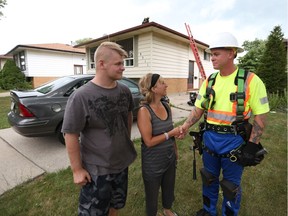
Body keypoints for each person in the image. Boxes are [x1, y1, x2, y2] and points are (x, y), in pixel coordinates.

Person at [180, 32, 270, 216]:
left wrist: (251, 147)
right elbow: (198, 109)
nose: (212, 58)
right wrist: (185, 126)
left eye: (216, 54)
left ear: (231, 53)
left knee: (231, 185)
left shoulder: (251, 80)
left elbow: (260, 117)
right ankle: (208, 211)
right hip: (210, 140)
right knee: (209, 179)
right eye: (211, 54)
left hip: (234, 142)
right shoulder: (209, 81)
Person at [62, 41, 137, 216]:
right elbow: (70, 134)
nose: (123, 68)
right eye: (118, 63)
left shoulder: (125, 91)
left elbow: (127, 115)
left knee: (115, 206)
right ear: (101, 64)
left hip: (121, 164)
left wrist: (124, 140)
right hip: (97, 171)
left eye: (123, 63)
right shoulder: (81, 96)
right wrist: (77, 170)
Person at [137, 73, 181, 216]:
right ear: (154, 88)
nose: (166, 85)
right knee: (152, 193)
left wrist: (175, 150)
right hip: (153, 162)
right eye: (162, 83)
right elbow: (148, 141)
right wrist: (171, 133)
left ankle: (167, 209)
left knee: (169, 187)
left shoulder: (166, 106)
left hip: (169, 157)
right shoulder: (144, 111)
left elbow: (170, 130)